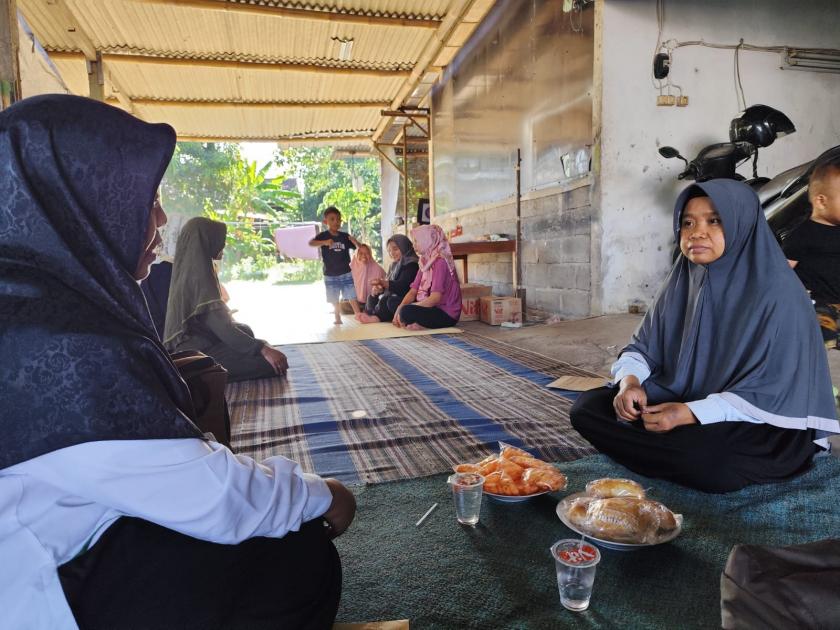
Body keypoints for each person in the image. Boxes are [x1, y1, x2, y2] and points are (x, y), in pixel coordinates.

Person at [0, 94, 356, 629]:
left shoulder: (27, 301)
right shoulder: (57, 341)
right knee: (298, 556)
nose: (162, 218)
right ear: (81, 201)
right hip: (34, 595)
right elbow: (211, 495)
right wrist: (321, 493)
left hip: (52, 548)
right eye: (145, 199)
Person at [570, 179, 840, 494]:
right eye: (688, 223)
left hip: (761, 417)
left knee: (709, 460)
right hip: (686, 401)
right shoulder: (683, 279)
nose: (697, 232)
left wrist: (688, 413)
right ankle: (668, 453)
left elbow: (769, 391)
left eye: (715, 221)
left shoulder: (778, 292)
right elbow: (644, 347)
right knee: (587, 409)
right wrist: (630, 383)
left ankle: (666, 453)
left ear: (742, 225)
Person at [163, 217, 288, 382]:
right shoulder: (198, 274)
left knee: (245, 330)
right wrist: (263, 349)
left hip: (204, 341)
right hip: (192, 353)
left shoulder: (194, 267)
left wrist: (259, 346)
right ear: (206, 239)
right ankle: (201, 373)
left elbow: (217, 320)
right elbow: (222, 327)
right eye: (219, 239)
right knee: (268, 365)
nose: (222, 245)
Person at [783, 156, 840, 349]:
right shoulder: (802, 234)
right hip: (818, 303)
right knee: (819, 327)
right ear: (822, 201)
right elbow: (782, 271)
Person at [393, 224, 462, 330]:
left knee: (406, 311)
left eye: (416, 241)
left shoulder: (440, 261)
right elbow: (413, 291)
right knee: (392, 303)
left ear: (427, 240)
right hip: (433, 307)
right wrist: (399, 308)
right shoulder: (425, 261)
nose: (413, 245)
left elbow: (435, 298)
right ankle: (419, 322)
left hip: (446, 314)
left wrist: (408, 308)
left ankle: (421, 323)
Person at [308, 206, 362, 325]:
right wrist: (324, 242)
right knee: (334, 298)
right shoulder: (323, 236)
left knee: (351, 295)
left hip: (346, 272)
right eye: (332, 219)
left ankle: (358, 315)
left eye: (338, 219)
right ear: (325, 222)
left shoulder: (344, 236)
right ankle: (337, 317)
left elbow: (360, 247)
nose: (336, 222)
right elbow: (311, 243)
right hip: (330, 273)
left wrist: (355, 241)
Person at [358, 234, 420, 324]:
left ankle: (376, 317)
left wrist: (384, 283)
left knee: (389, 301)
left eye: (395, 249)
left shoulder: (412, 264)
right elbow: (390, 285)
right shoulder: (394, 265)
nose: (392, 253)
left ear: (404, 247)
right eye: (389, 251)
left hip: (407, 298)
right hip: (394, 295)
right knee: (372, 297)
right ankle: (373, 314)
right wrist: (380, 289)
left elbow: (403, 287)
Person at [350, 242, 385, 313]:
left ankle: (366, 309)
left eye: (367, 253)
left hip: (372, 301)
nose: (364, 256)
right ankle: (361, 310)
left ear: (370, 255)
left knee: (373, 305)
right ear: (356, 254)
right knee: (343, 306)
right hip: (355, 302)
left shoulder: (377, 268)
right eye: (361, 253)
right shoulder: (351, 268)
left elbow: (383, 288)